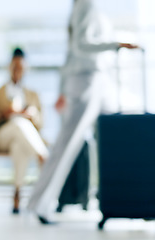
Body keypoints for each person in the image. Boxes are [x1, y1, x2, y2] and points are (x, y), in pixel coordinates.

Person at [27, 0, 139, 224]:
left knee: (126, 131)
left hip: (96, 81)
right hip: (86, 82)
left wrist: (62, 89)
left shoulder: (83, 7)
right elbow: (81, 45)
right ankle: (38, 205)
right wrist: (117, 44)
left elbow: (70, 52)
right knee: (66, 147)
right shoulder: (85, 5)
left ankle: (135, 197)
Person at [0, 48, 48, 214]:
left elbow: (41, 123)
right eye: (15, 67)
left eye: (21, 67)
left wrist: (32, 115)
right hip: (1, 136)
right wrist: (4, 114)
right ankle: (43, 156)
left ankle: (17, 194)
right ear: (9, 67)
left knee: (19, 145)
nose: (17, 71)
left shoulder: (33, 95)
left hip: (22, 138)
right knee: (18, 124)